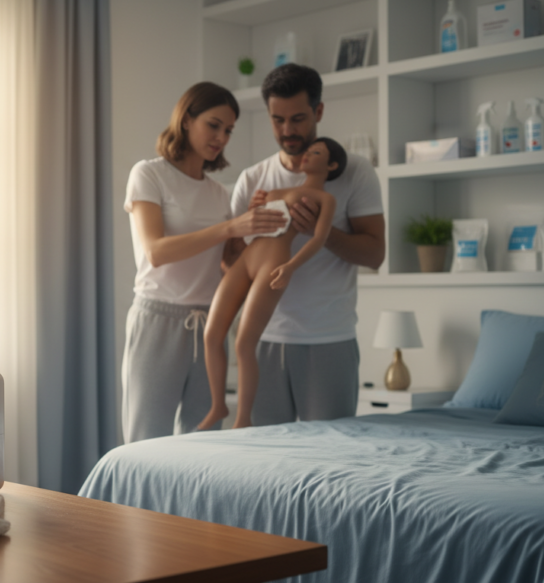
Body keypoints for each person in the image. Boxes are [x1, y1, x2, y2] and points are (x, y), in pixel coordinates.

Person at [229, 63, 385, 426]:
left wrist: (323, 231)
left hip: (330, 339)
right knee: (264, 460)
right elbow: (230, 260)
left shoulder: (355, 172)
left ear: (319, 111)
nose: (287, 131)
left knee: (329, 458)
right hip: (264, 340)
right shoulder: (253, 179)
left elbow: (376, 254)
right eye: (277, 120)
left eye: (298, 118)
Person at [122, 82, 272, 443]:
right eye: (214, 124)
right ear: (187, 120)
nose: (221, 136)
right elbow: (156, 251)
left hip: (210, 323)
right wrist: (230, 226)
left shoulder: (220, 193)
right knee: (146, 440)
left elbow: (228, 265)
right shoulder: (149, 174)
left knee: (204, 440)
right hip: (158, 319)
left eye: (229, 130)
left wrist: (248, 229)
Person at [199, 138, 343, 430]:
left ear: (332, 165)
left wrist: (291, 266)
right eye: (308, 150)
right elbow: (250, 225)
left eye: (316, 152)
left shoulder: (326, 199)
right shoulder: (276, 189)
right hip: (250, 255)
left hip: (275, 260)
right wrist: (253, 209)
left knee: (243, 343)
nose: (306, 155)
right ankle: (217, 406)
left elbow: (319, 239)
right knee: (212, 333)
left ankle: (243, 419)